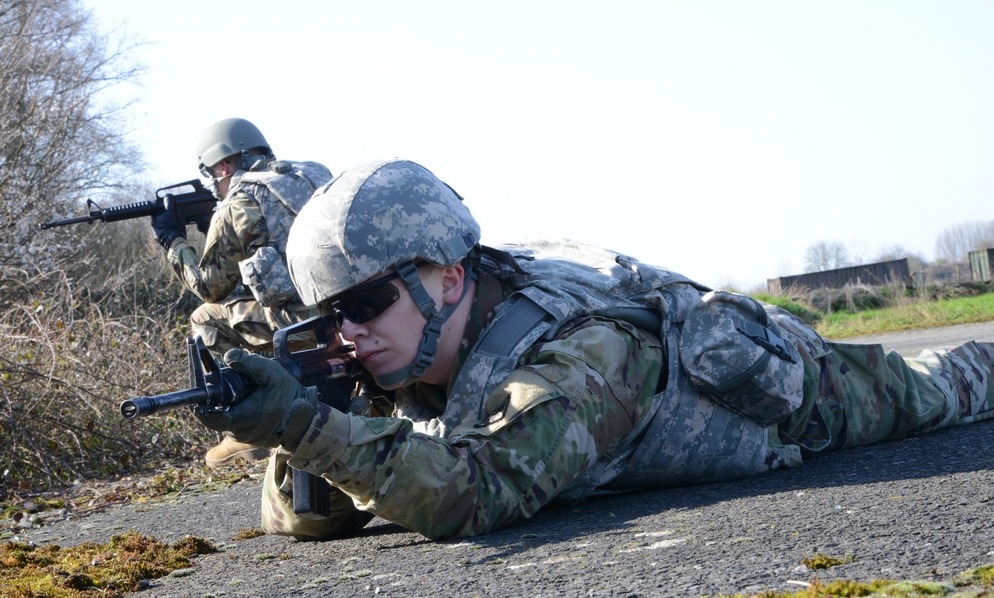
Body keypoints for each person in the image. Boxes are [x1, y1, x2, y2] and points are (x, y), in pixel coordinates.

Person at [196, 158, 994, 541]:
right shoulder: (396, 354)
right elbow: (308, 521)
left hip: (790, 392)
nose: (349, 332)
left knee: (944, 386)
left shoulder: (584, 352)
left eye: (365, 302)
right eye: (328, 317)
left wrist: (307, 428)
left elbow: (474, 492)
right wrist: (308, 413)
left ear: (445, 279)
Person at [150, 118, 333, 467]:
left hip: (304, 329)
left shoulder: (238, 203)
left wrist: (173, 242)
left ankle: (246, 431)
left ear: (223, 165)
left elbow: (210, 288)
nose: (214, 187)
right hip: (352, 316)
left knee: (205, 317)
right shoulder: (313, 174)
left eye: (211, 177)